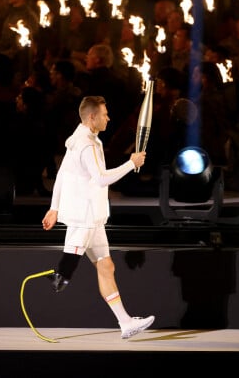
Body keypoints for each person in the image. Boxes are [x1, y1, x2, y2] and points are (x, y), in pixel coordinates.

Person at [41, 96, 155, 339]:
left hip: (92, 213)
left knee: (106, 266)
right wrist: (130, 163)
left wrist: (54, 207)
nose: (108, 118)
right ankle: (60, 276)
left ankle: (125, 323)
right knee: (69, 264)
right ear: (92, 117)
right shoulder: (87, 144)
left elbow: (63, 172)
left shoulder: (81, 135)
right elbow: (102, 178)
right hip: (85, 214)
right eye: (104, 114)